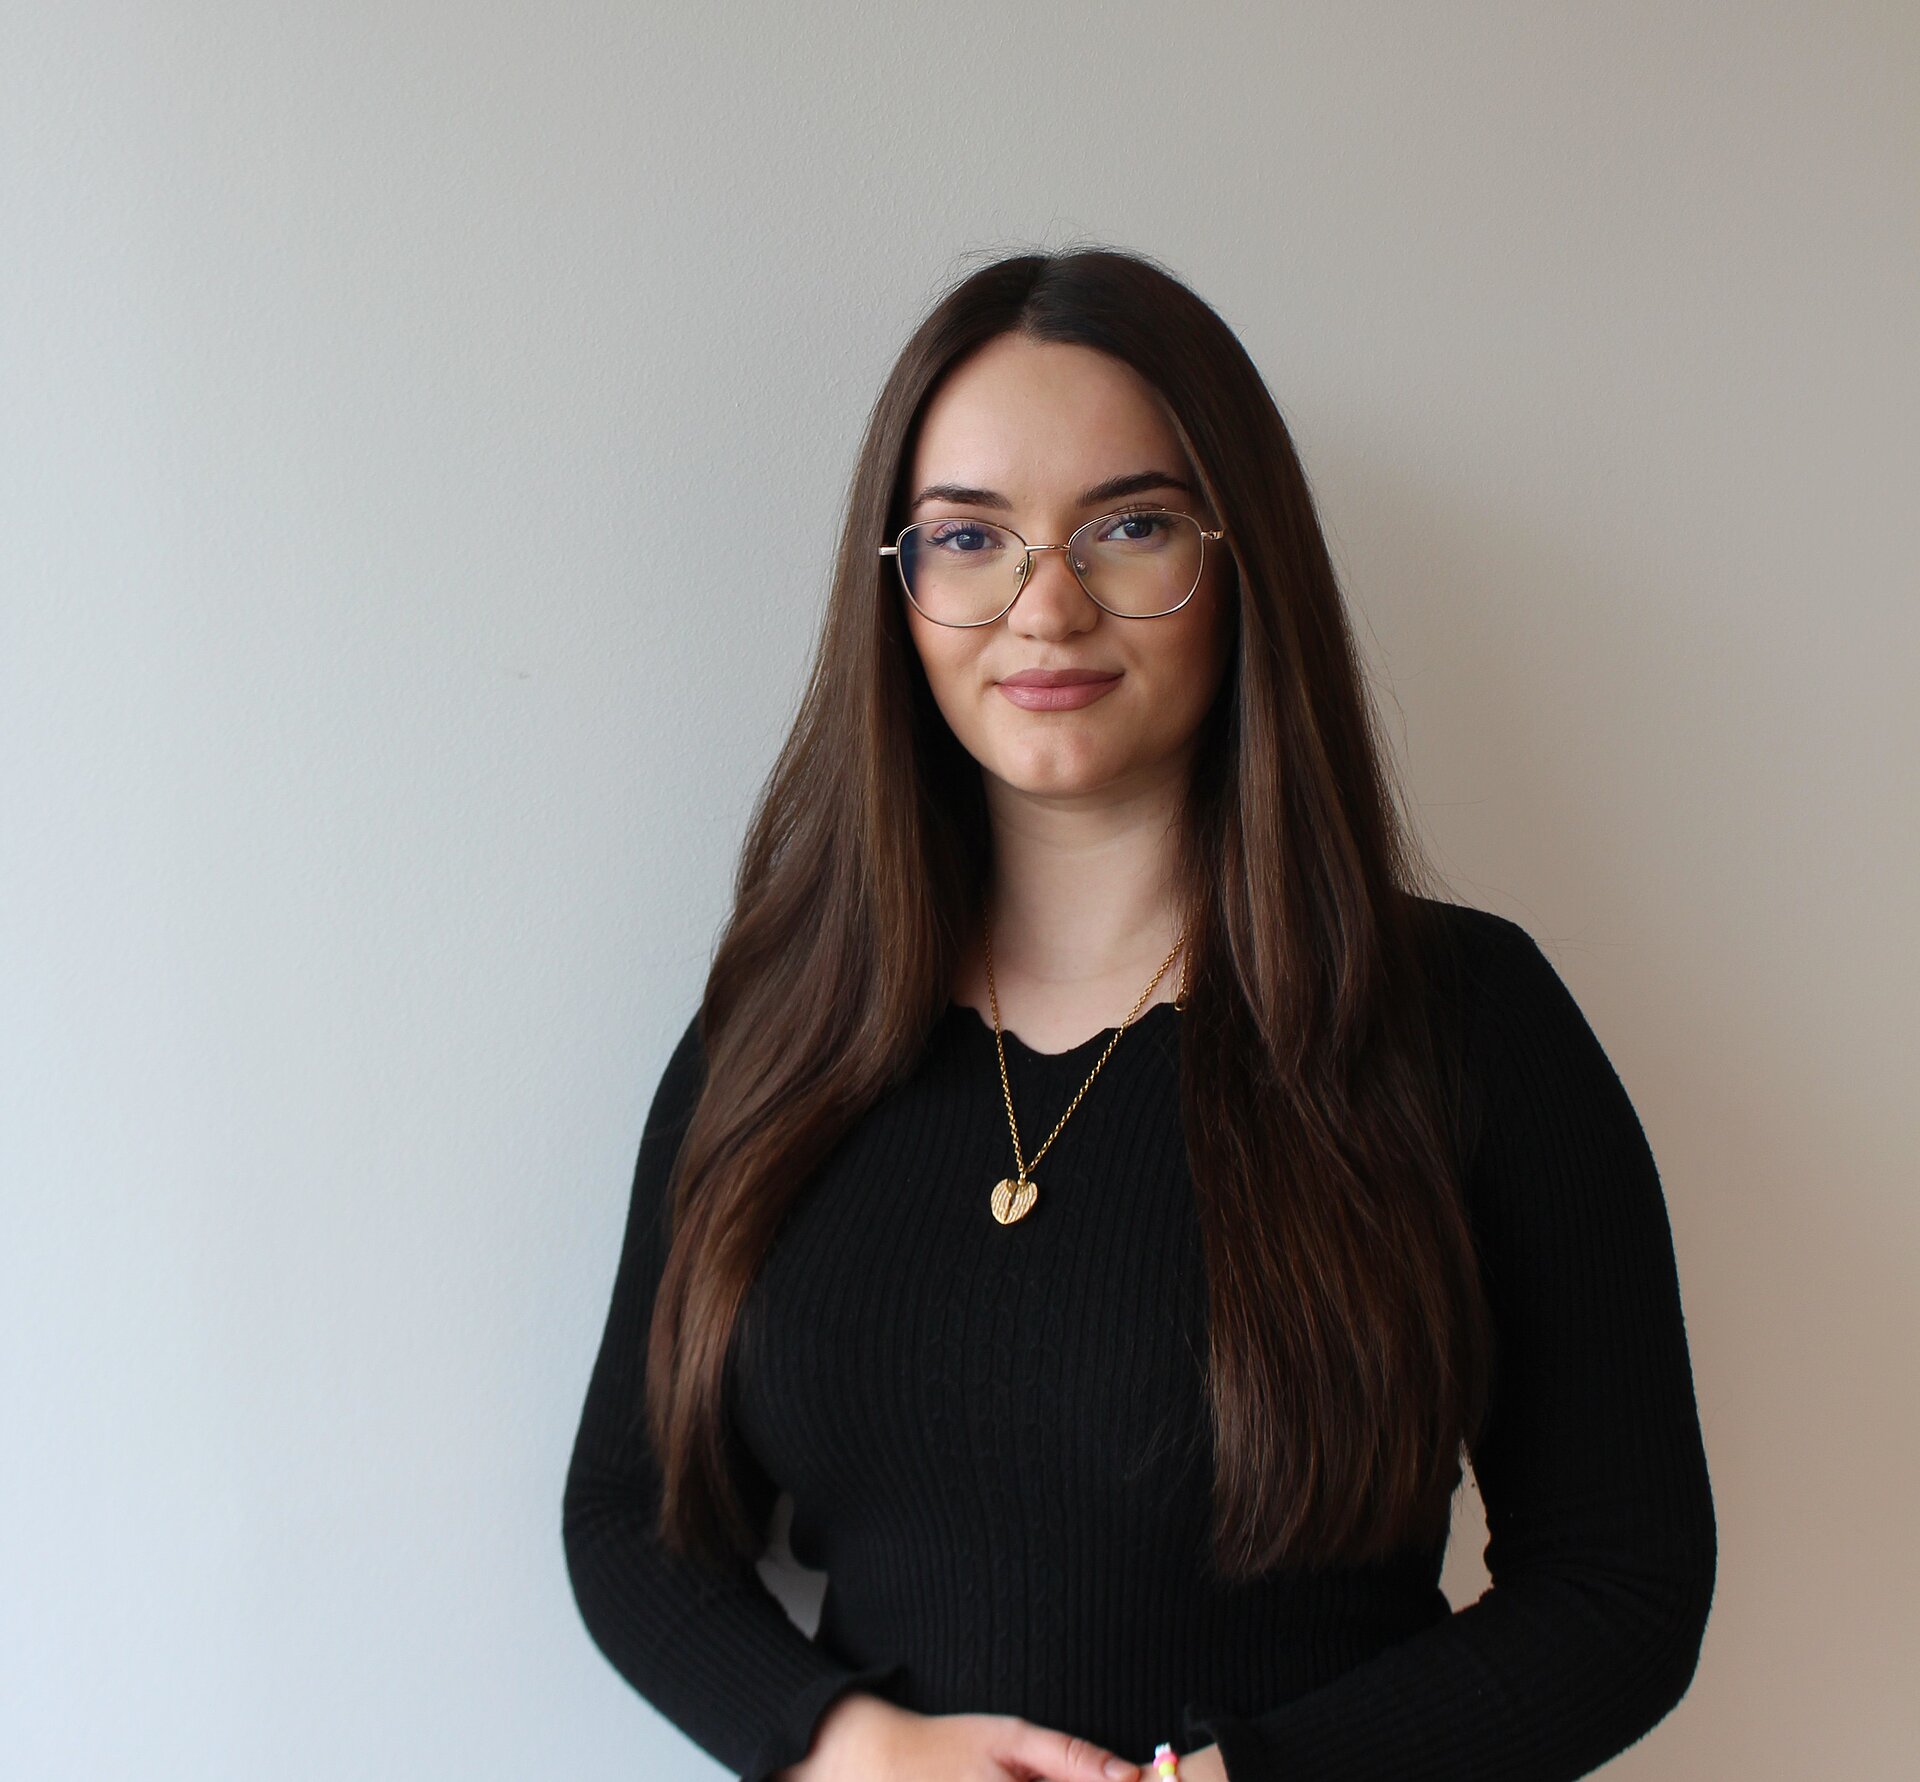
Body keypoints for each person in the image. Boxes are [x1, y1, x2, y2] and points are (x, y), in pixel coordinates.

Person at [562, 246, 1717, 1782]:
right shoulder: (775, 1037)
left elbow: (1624, 1585)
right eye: (969, 536)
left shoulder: (1458, 1020)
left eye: (1130, 525)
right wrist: (842, 1744)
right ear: (899, 586)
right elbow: (630, 1517)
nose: (1046, 606)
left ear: (1241, 561)